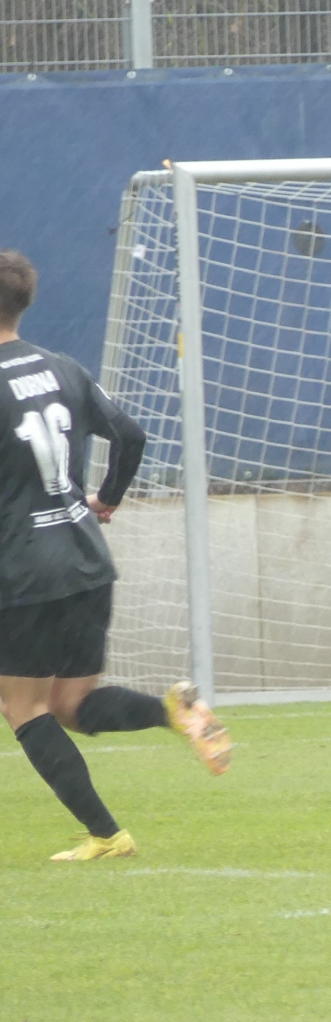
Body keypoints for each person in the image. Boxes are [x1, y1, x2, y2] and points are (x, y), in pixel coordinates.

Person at [0, 250, 231, 861]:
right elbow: (131, 435)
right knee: (71, 704)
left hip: (25, 570)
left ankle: (107, 834)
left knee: (22, 708)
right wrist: (107, 498)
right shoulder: (63, 368)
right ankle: (171, 712)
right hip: (85, 557)